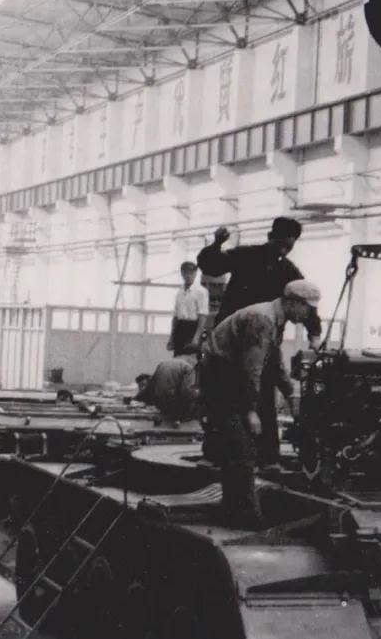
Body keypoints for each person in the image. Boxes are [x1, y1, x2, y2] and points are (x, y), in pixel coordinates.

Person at [198, 218, 321, 466]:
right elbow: (212, 265)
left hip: (264, 339)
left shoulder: (289, 272)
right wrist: (216, 244)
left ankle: (266, 457)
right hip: (232, 346)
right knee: (230, 403)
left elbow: (305, 303)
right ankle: (220, 456)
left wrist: (314, 335)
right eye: (281, 244)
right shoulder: (246, 256)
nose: (284, 250)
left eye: (289, 246)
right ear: (270, 237)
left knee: (263, 397)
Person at [200, 279, 320, 530]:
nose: (309, 314)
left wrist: (291, 393)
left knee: (239, 448)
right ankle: (245, 518)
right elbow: (251, 369)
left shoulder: (275, 319)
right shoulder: (262, 319)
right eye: (307, 308)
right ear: (292, 302)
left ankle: (232, 509)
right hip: (220, 377)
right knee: (242, 449)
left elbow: (274, 362)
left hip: (229, 376)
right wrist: (250, 411)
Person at [134, 359, 199, 427]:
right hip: (173, 405)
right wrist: (196, 396)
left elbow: (150, 386)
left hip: (162, 404)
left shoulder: (162, 364)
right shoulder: (189, 368)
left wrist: (137, 397)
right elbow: (186, 391)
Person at [167, 261, 209, 358]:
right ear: (182, 273)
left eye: (191, 273)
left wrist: (196, 337)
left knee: (192, 359)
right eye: (186, 272)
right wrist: (171, 337)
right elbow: (175, 317)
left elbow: (202, 316)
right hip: (180, 328)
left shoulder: (201, 292)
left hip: (193, 328)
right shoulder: (179, 292)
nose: (189, 275)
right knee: (177, 357)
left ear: (195, 273)